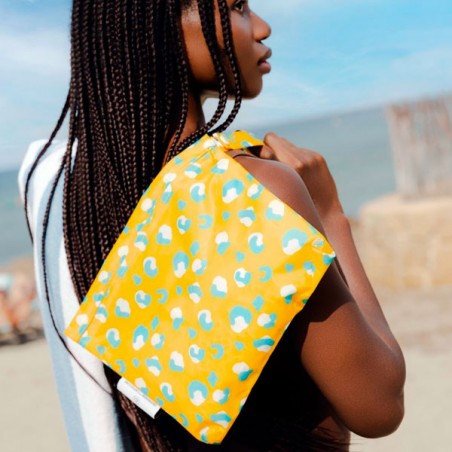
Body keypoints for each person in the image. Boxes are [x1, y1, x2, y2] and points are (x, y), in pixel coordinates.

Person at [18, 0, 405, 450]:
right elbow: (379, 406)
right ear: (161, 27)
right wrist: (329, 211)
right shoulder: (255, 190)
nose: (262, 27)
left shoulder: (68, 194)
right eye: (237, 7)